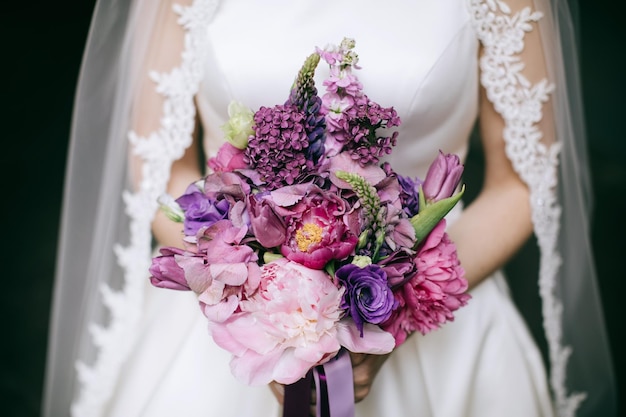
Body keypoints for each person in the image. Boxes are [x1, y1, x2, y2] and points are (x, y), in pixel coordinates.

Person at [43, 0, 617, 416]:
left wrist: (390, 310)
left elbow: (520, 186)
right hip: (223, 326)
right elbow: (161, 169)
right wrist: (257, 302)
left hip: (436, 322)